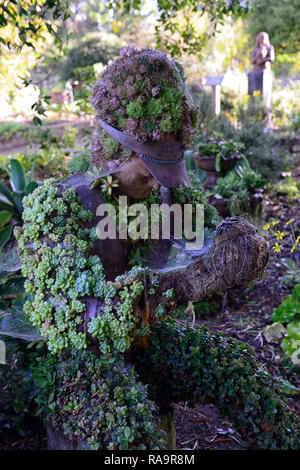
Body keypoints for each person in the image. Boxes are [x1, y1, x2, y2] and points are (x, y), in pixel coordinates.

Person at [16, 47, 299, 450]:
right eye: (148, 173)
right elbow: (73, 319)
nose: (156, 185)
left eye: (164, 174)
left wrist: (240, 245)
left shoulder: (164, 194)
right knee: (128, 435)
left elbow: (222, 239)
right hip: (84, 363)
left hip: (149, 343)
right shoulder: (62, 208)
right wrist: (179, 288)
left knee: (240, 371)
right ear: (116, 154)